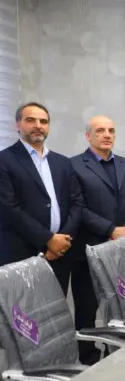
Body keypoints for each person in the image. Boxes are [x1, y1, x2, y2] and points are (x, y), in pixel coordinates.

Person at [70, 115, 125, 364]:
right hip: (88, 249)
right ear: (88, 136)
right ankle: (88, 357)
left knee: (124, 303)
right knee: (87, 308)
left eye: (111, 130)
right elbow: (77, 207)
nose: (107, 135)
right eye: (100, 130)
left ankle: (121, 351)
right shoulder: (73, 166)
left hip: (122, 249)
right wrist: (111, 229)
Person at [0, 102, 81, 270]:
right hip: (21, 254)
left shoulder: (63, 162)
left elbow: (77, 203)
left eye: (43, 121)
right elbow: (9, 208)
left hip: (61, 253)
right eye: (30, 120)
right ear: (17, 125)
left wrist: (62, 241)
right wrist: (48, 240)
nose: (38, 125)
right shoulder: (4, 160)